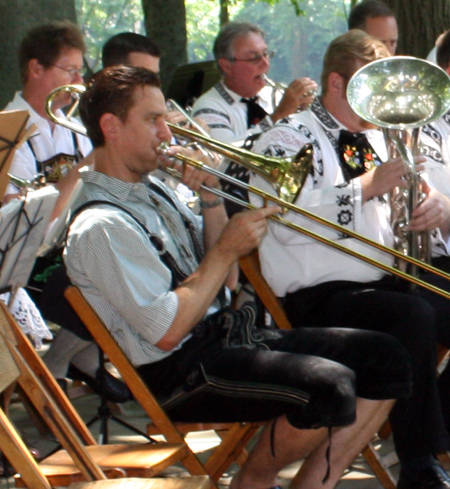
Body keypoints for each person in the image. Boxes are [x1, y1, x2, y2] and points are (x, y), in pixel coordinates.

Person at [63, 64, 412, 489]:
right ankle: (253, 481)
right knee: (330, 384)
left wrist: (211, 200)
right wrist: (228, 246)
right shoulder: (99, 225)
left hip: (222, 334)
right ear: (110, 127)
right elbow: (165, 332)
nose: (167, 134)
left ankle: (313, 482)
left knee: (388, 354)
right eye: (152, 120)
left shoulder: (153, 190)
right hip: (178, 371)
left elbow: (225, 283)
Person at [250, 29, 450, 489]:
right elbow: (280, 219)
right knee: (414, 316)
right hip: (317, 295)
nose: (380, 103)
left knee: (428, 308)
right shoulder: (286, 136)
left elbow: (405, 201)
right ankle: (419, 461)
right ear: (336, 84)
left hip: (383, 283)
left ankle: (439, 430)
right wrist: (367, 187)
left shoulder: (381, 137)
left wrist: (433, 205)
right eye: (369, 88)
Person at [3, 21, 93, 201]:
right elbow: (22, 213)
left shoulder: (76, 129)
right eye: (71, 71)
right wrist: (96, 156)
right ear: (36, 69)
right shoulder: (6, 132)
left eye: (79, 72)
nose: (79, 81)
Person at [192, 22, 318, 145]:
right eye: (253, 58)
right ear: (226, 66)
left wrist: (305, 115)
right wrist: (278, 116)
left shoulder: (276, 95)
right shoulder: (208, 108)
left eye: (265, 54)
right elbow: (226, 158)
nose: (265, 63)